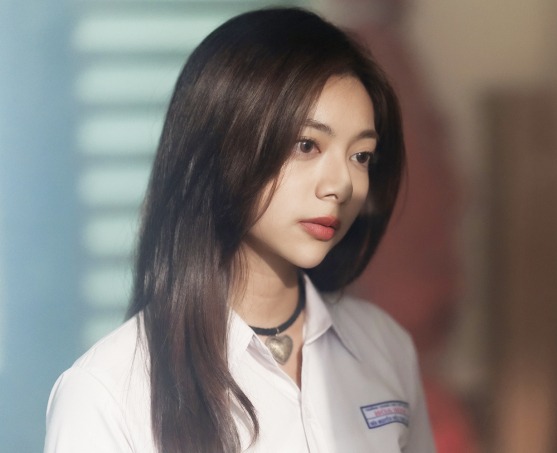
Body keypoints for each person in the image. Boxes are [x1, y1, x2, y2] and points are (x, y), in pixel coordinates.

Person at [44, 7, 435, 453]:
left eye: (360, 156)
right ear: (220, 145)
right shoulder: (106, 393)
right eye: (307, 145)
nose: (341, 185)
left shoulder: (385, 347)